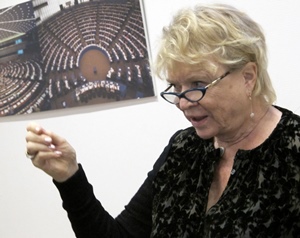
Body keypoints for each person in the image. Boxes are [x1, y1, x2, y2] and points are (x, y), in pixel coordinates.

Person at [25, 3, 300, 237]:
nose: (182, 102)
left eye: (197, 83)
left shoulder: (293, 152)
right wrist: (69, 177)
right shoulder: (183, 148)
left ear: (248, 77)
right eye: (175, 87)